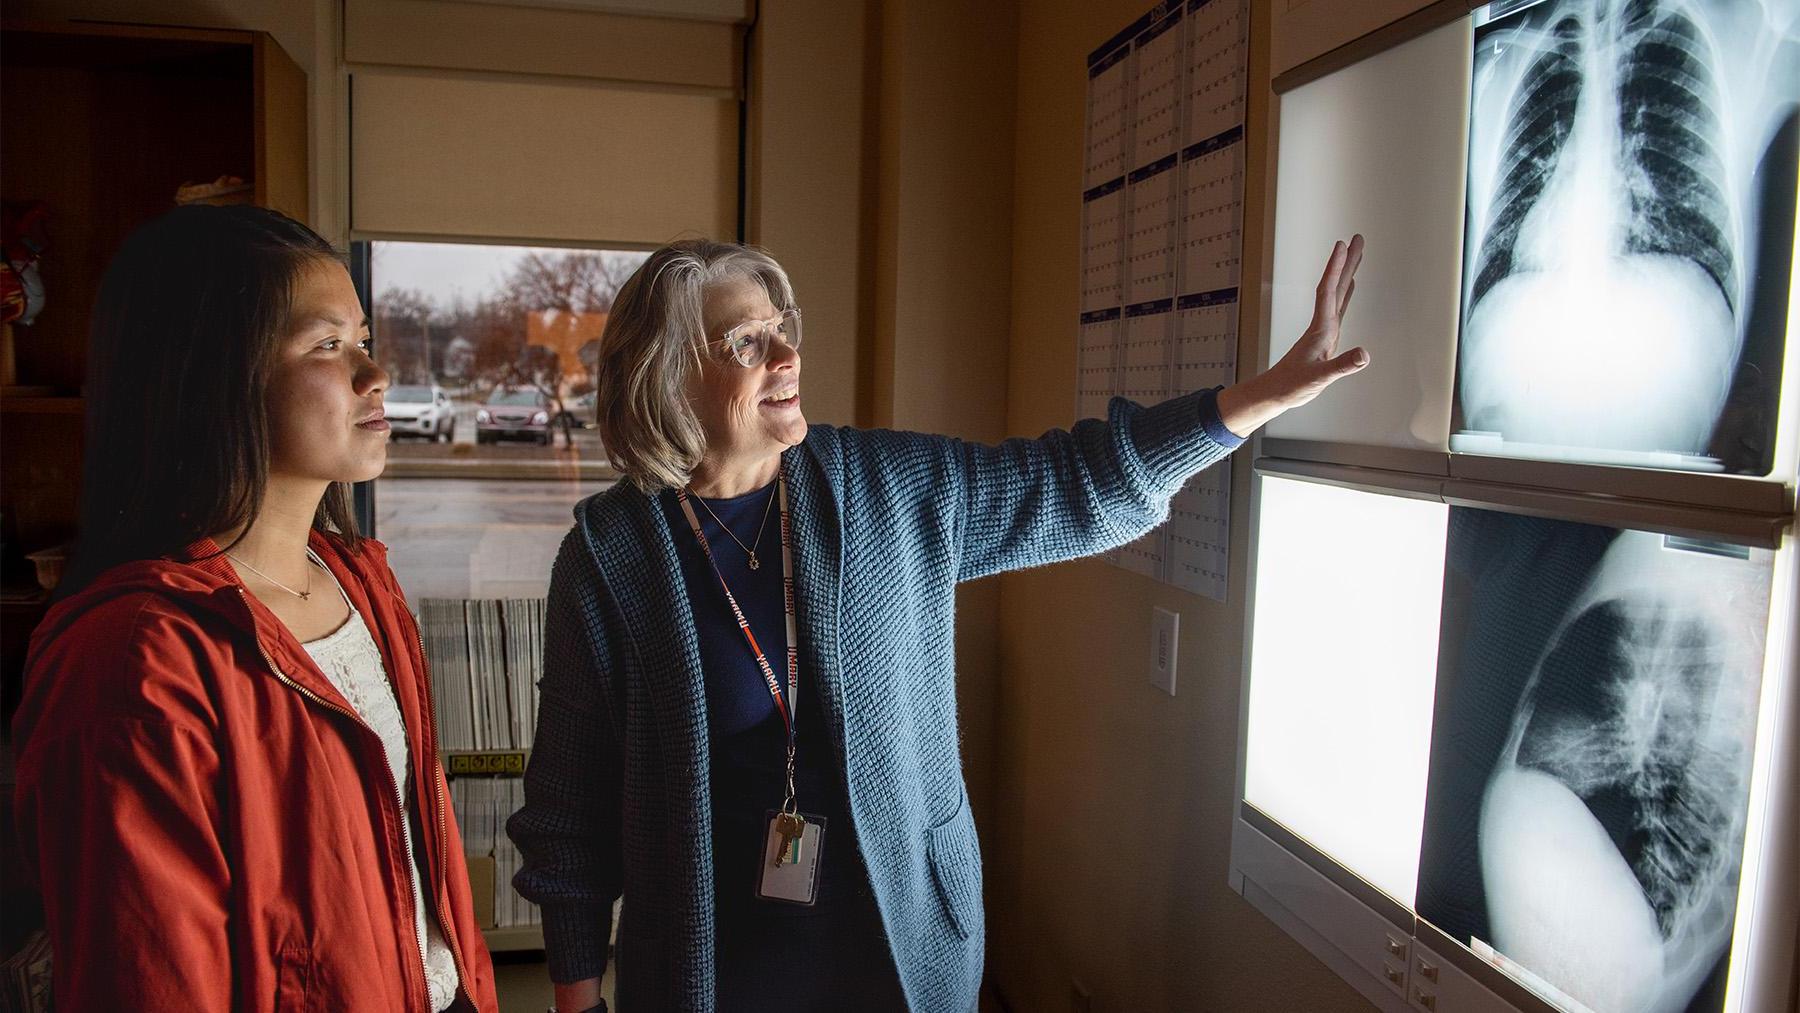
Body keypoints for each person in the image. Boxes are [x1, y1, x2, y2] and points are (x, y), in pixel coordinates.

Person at [507, 236, 1368, 1012]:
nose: (787, 354)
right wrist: (577, 996)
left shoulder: (885, 489)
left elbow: (1072, 483)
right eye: (746, 342)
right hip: (711, 969)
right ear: (665, 378)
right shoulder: (608, 559)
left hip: (899, 949)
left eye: (783, 327)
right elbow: (567, 804)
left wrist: (1251, 402)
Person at [11, 205, 499, 1012]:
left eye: (365, 341)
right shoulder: (137, 657)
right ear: (215, 374)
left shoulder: (361, 581)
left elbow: (419, 860)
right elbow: (149, 977)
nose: (375, 375)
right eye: (328, 346)